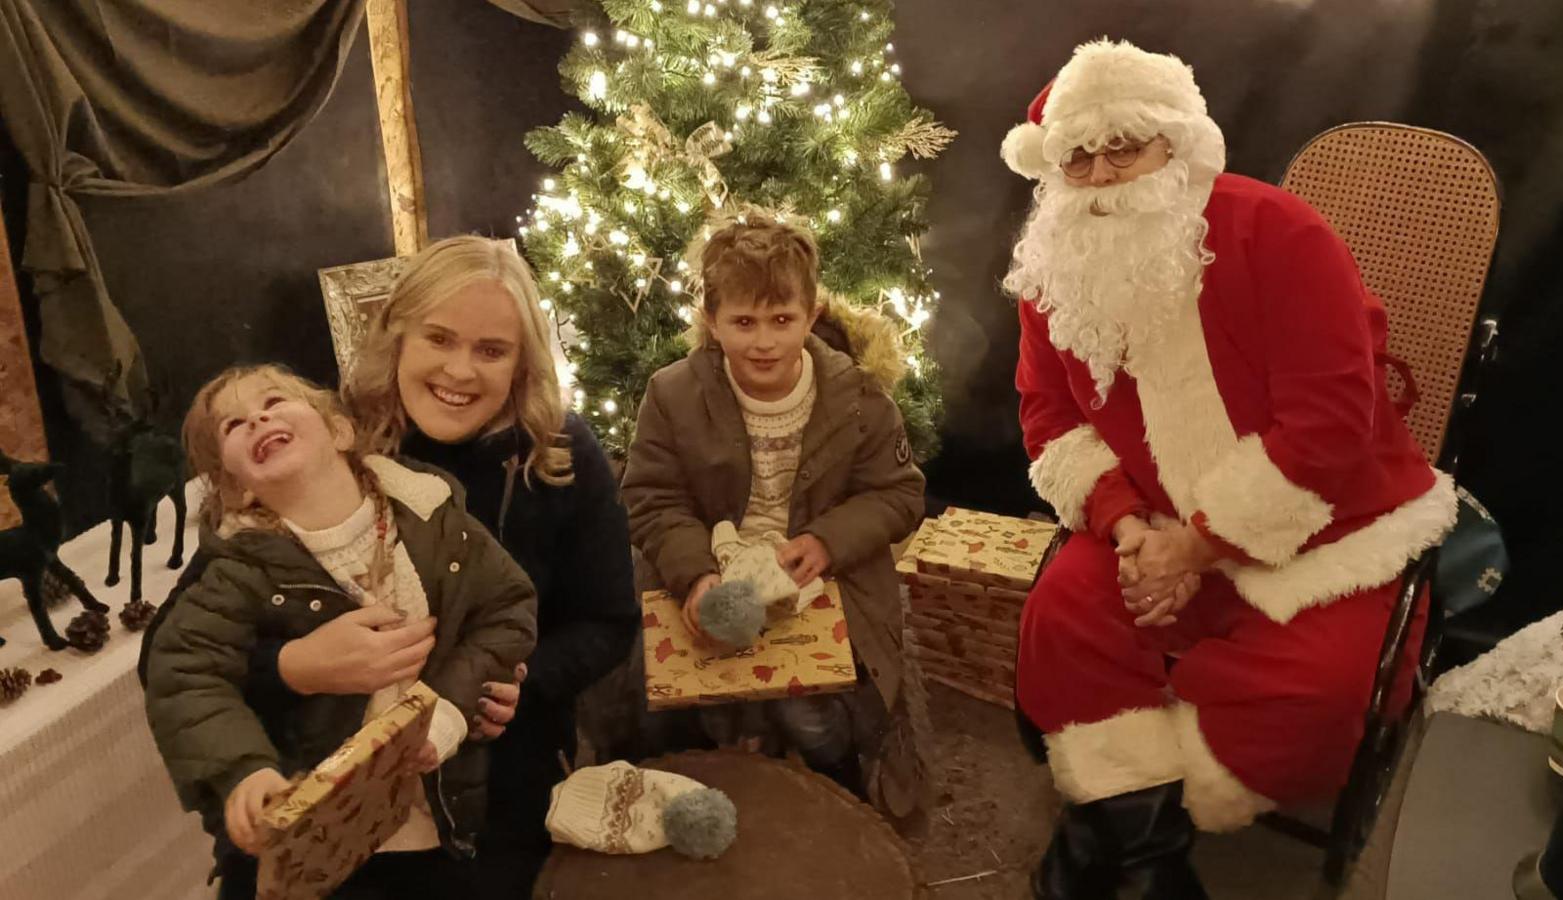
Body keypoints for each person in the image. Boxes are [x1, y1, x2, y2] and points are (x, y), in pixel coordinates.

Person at [999, 39, 1459, 898]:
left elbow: (1330, 425)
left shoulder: (1280, 231)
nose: (1099, 179)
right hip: (1146, 517)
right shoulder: (1051, 268)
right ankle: (1143, 856)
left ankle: (1108, 833)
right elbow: (1050, 419)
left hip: (1327, 526)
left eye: (1123, 149)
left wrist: (1200, 549)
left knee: (1321, 699)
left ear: (1177, 148)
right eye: (1078, 157)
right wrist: (1130, 528)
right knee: (1062, 615)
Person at [140, 236, 639, 898]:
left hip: (486, 787)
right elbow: (170, 655)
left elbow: (608, 621)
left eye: (491, 350)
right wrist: (296, 669)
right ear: (397, 335)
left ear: (522, 363)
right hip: (315, 782)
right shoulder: (317, 442)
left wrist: (517, 684)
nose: (460, 371)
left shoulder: (560, 456)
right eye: (439, 338)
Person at [143, 365, 538, 899]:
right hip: (309, 842)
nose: (258, 418)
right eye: (234, 425)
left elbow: (507, 608)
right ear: (235, 488)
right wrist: (244, 770)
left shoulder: (436, 521)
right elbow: (183, 672)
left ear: (339, 431)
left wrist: (449, 711)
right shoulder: (238, 571)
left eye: (275, 401)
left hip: (436, 822)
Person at [620, 214, 931, 821]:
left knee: (811, 715)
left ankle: (836, 790)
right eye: (743, 322)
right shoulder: (672, 394)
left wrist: (826, 540)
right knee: (682, 700)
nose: (763, 342)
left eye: (781, 320)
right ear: (712, 321)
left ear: (811, 314)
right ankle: (714, 775)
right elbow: (652, 498)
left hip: (823, 577)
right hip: (711, 566)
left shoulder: (861, 400)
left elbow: (898, 496)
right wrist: (695, 573)